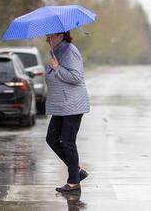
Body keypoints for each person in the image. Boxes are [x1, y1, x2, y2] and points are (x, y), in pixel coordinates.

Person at [44, 30, 90, 193]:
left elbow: (76, 77)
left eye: (51, 35)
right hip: (60, 105)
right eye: (48, 35)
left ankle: (73, 182)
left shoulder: (70, 51)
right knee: (52, 138)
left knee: (67, 141)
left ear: (61, 35)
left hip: (72, 104)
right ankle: (76, 171)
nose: (47, 38)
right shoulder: (56, 51)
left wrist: (57, 68)